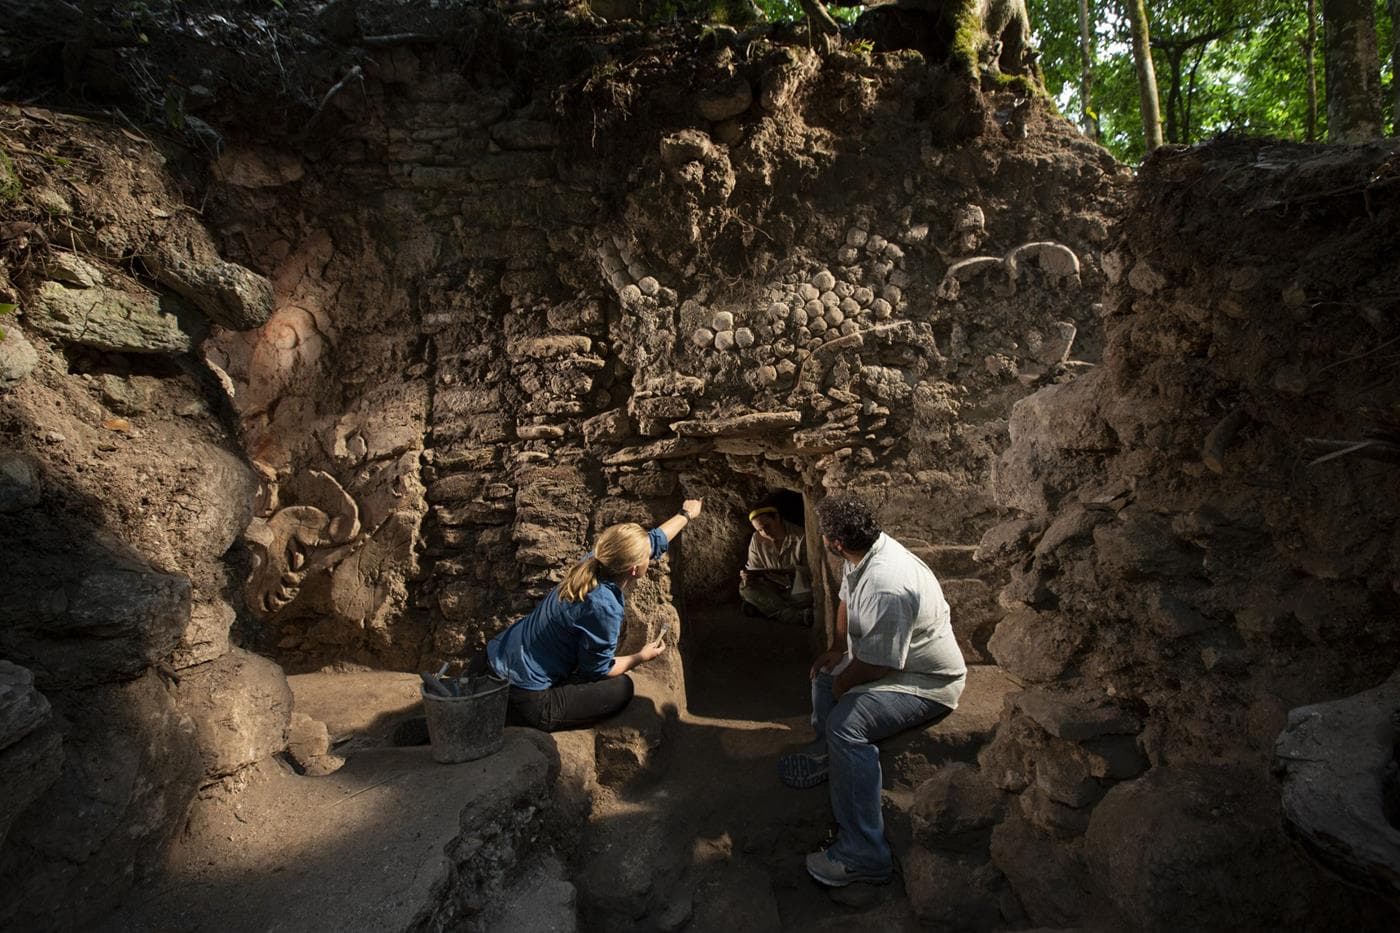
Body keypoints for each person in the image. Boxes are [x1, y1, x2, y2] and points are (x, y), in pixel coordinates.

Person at [778, 493, 966, 888]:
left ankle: (863, 854)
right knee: (823, 676)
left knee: (847, 723)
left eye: (826, 534)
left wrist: (845, 685)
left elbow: (880, 664)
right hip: (890, 662)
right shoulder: (863, 553)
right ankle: (830, 756)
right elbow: (847, 599)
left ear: (836, 542)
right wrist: (835, 648)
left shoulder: (888, 583)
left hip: (925, 681)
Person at [486, 498, 704, 732]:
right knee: (622, 688)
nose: (650, 557)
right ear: (635, 568)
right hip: (525, 697)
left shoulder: (595, 560)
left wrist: (685, 514)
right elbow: (598, 670)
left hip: (494, 660)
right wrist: (641, 656)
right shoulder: (604, 606)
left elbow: (653, 540)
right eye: (646, 557)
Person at [739, 503, 813, 627]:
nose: (765, 532)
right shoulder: (756, 539)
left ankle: (766, 608)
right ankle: (795, 616)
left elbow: (809, 571)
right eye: (760, 530)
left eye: (767, 526)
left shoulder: (801, 536)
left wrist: (782, 572)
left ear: (777, 518)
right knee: (745, 588)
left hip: (797, 589)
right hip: (773, 587)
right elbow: (753, 568)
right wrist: (748, 577)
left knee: (806, 597)